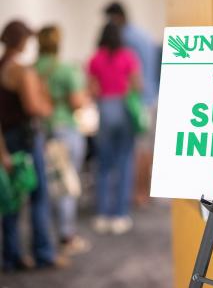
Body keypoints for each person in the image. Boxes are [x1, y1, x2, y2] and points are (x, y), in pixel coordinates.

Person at [0, 20, 66, 271]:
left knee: (12, 198)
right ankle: (43, 253)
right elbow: (33, 107)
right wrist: (48, 106)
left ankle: (11, 256)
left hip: (8, 138)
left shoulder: (3, 66)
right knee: (38, 195)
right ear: (22, 41)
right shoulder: (19, 70)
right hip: (26, 137)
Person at [35, 25, 91, 255]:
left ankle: (44, 236)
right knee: (66, 183)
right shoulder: (66, 69)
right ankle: (67, 236)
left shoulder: (32, 69)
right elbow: (77, 102)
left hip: (40, 129)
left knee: (45, 186)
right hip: (64, 128)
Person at [88, 22, 142, 235]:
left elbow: (91, 87)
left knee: (103, 165)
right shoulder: (128, 56)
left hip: (104, 110)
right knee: (124, 164)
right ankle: (119, 215)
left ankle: (102, 214)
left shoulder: (95, 58)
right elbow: (138, 85)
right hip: (124, 109)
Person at [104, 1, 159, 206]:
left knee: (138, 149)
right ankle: (144, 192)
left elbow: (130, 76)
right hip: (152, 97)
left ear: (116, 17)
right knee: (147, 148)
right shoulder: (144, 35)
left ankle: (139, 193)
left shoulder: (125, 38)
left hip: (135, 101)